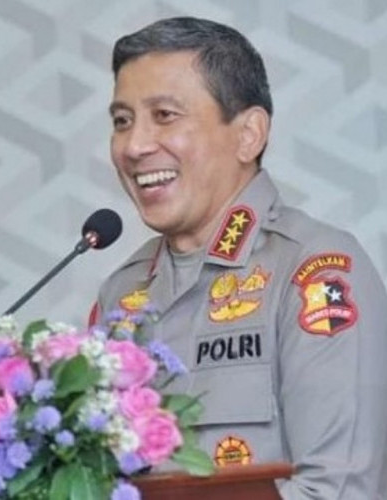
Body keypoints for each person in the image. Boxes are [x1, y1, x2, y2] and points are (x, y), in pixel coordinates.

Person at [93, 16, 387, 499]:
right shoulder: (121, 292)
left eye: (164, 115)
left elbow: (338, 490)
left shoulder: (313, 271)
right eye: (122, 121)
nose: (135, 146)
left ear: (249, 134)